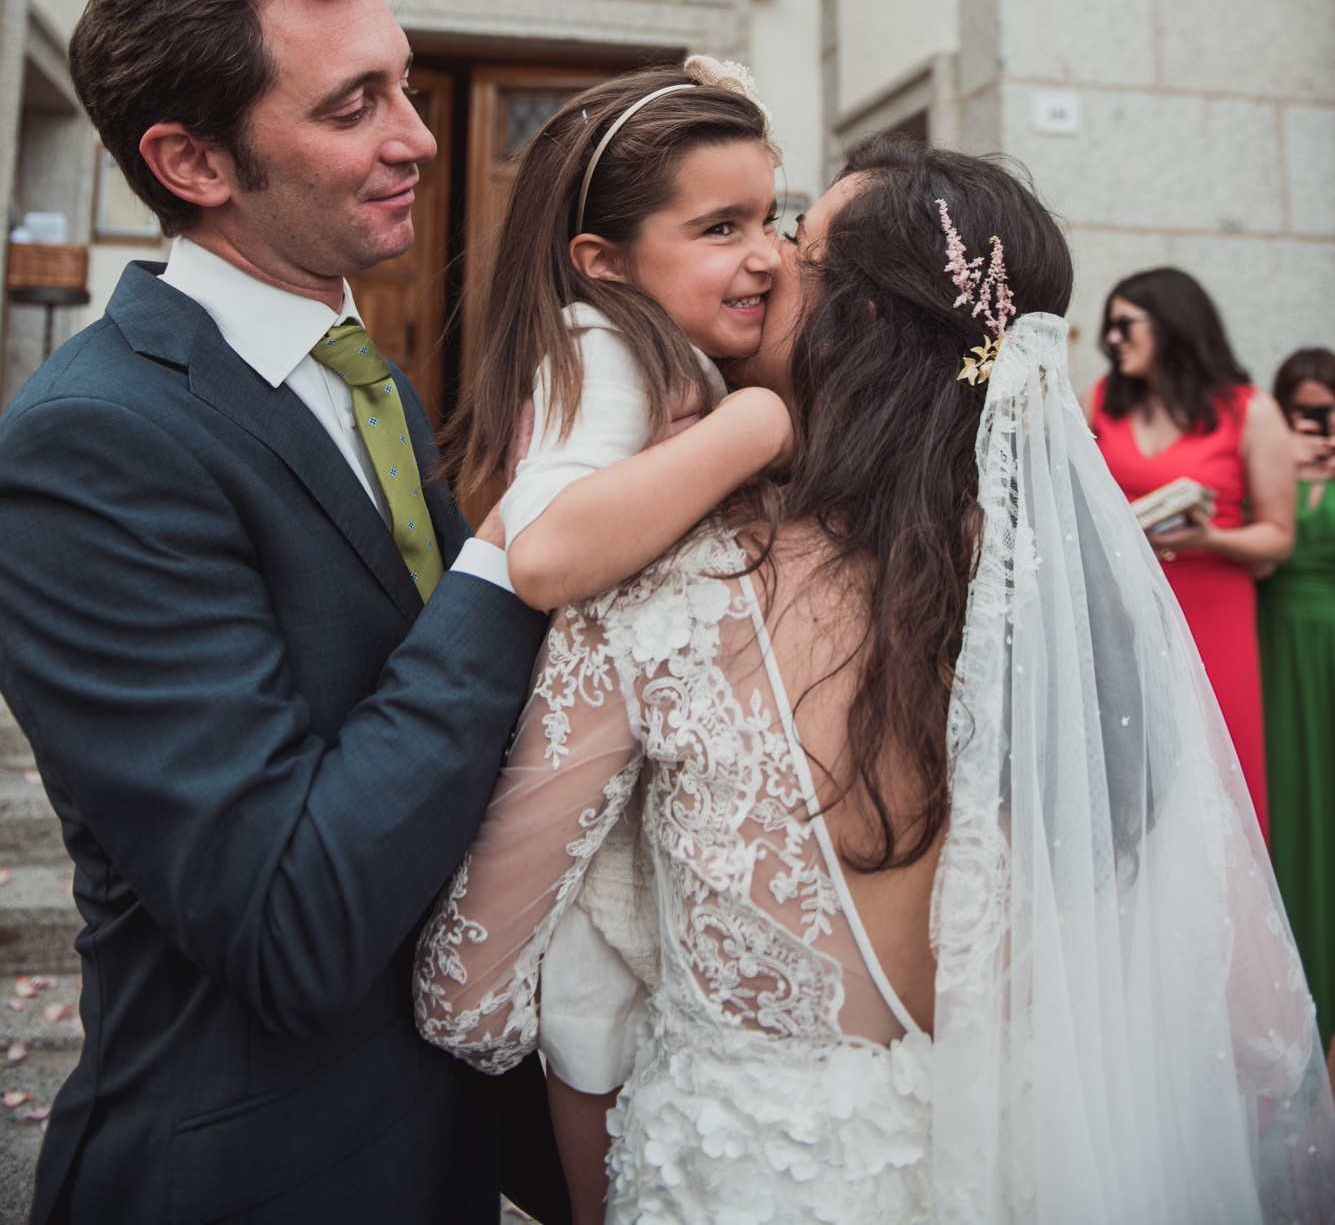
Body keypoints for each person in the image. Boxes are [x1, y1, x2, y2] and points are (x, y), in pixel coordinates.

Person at [417, 136, 1335, 1222]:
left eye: (794, 242)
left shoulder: (665, 592)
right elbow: (1256, 1025)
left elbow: (465, 996)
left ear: (852, 322)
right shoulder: (1084, 612)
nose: (763, 259)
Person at [0, 0, 568, 1225]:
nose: (418, 136)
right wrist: (507, 561)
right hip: (252, 1173)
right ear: (192, 160)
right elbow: (288, 921)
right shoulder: (91, 444)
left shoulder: (368, 382)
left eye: (403, 85)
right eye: (353, 105)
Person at [439, 56, 794, 1223]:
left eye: (774, 217)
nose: (766, 253)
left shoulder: (659, 345)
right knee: (596, 1016)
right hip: (580, 780)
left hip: (634, 762)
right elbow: (545, 550)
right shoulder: (603, 345)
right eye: (721, 226)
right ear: (603, 258)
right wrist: (757, 422)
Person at [1083, 267, 1294, 835]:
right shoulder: (1099, 402)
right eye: (1109, 327)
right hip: (1124, 609)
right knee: (1129, 761)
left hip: (1215, 605)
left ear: (1172, 323)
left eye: (1125, 324)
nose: (1112, 339)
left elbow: (1278, 533)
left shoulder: (1251, 410)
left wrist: (1210, 538)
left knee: (1220, 759)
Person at [1260, 347, 1335, 1048]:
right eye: (1303, 412)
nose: (1317, 426)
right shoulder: (1268, 462)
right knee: (1280, 797)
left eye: (1328, 412)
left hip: (1328, 645)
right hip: (1272, 647)